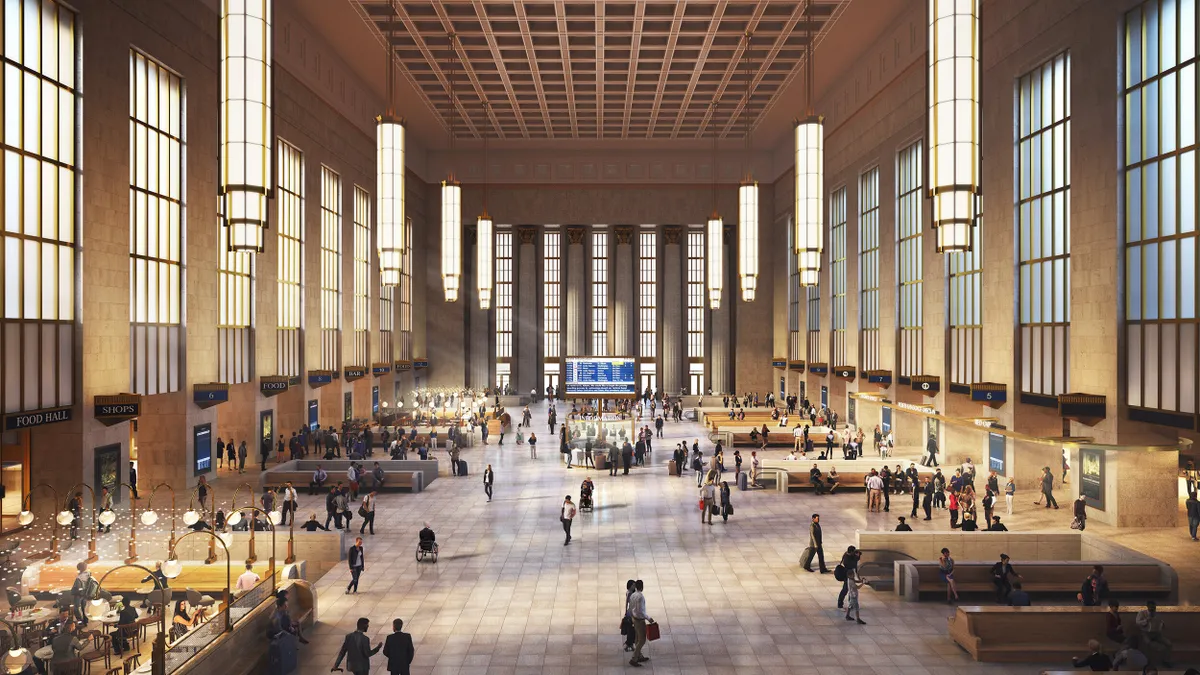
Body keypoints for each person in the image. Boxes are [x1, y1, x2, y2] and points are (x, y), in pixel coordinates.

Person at [627, 580, 652, 667]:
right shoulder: (640, 597)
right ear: (642, 587)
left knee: (637, 638)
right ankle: (634, 658)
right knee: (642, 640)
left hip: (634, 618)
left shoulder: (633, 595)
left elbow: (630, 607)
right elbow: (640, 611)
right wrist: (649, 618)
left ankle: (639, 656)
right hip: (639, 620)